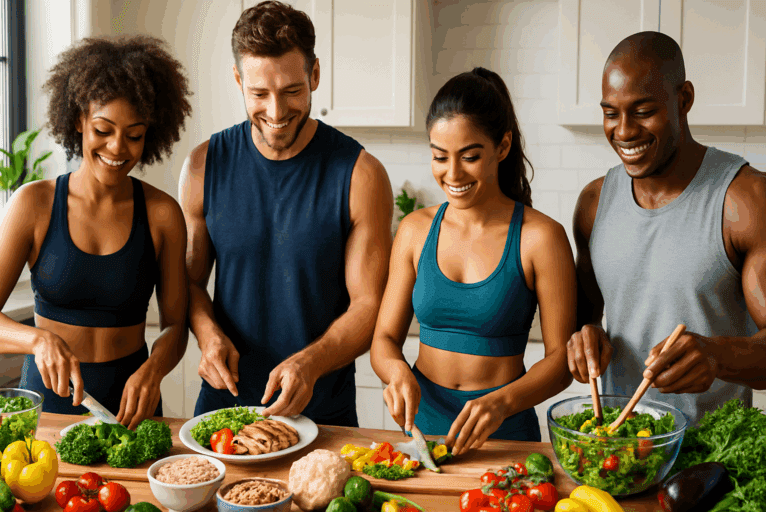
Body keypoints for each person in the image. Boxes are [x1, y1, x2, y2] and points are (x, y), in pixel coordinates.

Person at [179, 0, 393, 425]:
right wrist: (207, 336)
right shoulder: (203, 166)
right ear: (238, 79)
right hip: (225, 410)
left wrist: (310, 363)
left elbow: (368, 305)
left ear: (314, 74)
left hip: (323, 414)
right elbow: (188, 282)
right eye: (259, 94)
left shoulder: (361, 175)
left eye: (292, 91)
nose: (276, 113)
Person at [370, 67, 576, 454]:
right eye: (439, 157)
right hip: (422, 431)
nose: (452, 174)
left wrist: (502, 403)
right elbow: (383, 340)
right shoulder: (415, 230)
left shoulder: (541, 237)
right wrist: (395, 371)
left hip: (505, 434)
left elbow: (562, 360)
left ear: (502, 146)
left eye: (469, 156)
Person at [567, 31, 766, 424]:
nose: (623, 131)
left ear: (684, 99)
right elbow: (584, 321)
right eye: (611, 113)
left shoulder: (746, 200)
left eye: (642, 111)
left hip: (712, 458)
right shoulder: (594, 203)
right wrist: (583, 338)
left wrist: (717, 356)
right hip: (620, 448)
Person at [0, 35, 192, 428]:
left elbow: (176, 325)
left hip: (131, 406)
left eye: (134, 135)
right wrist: (38, 339)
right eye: (103, 129)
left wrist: (153, 370)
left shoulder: (162, 214)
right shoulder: (32, 204)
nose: (117, 148)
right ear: (78, 120)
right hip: (47, 405)